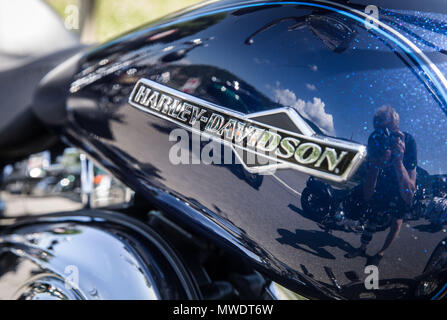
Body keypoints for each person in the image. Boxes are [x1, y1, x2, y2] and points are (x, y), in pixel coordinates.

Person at [345, 105, 417, 266]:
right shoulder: (375, 141)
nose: (383, 136)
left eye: (387, 129)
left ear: (396, 127)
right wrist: (376, 164)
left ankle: (380, 253)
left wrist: (399, 162)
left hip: (399, 184)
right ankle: (362, 247)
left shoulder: (408, 141)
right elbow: (368, 194)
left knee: (397, 222)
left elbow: (409, 194)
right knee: (372, 216)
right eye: (379, 129)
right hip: (383, 184)